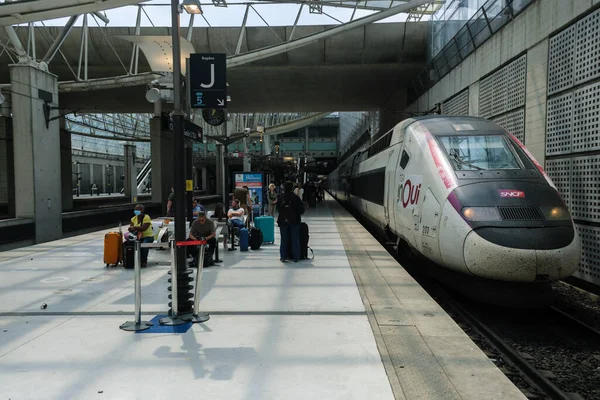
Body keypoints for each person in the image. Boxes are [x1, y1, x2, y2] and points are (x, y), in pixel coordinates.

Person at [277, 181, 305, 263]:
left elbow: (278, 209)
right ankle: (296, 257)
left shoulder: (281, 197)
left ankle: (283, 256)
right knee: (295, 239)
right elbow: (301, 210)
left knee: (284, 239)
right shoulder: (295, 197)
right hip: (295, 221)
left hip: (283, 221)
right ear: (292, 188)